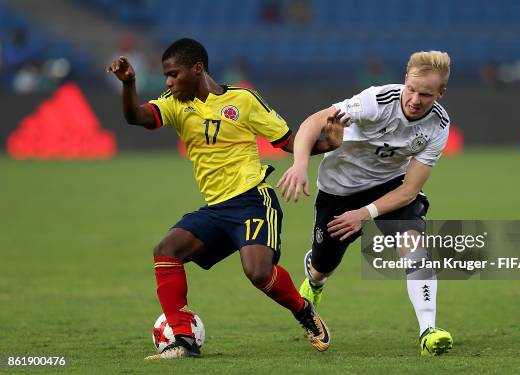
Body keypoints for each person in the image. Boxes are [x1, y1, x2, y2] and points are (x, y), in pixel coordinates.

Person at [107, 38, 347, 360]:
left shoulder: (243, 101)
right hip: (216, 208)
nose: (168, 82)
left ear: (197, 69)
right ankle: (183, 341)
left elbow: (288, 140)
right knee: (166, 250)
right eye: (166, 76)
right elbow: (136, 117)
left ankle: (303, 311)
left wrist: (326, 145)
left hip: (252, 199)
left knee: (258, 272)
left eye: (174, 74)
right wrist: (129, 83)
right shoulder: (174, 103)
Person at [277, 51, 454, 356]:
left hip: (390, 188)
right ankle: (314, 279)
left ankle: (428, 330)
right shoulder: (378, 100)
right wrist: (300, 164)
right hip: (338, 191)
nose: (414, 99)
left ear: (440, 93)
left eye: (425, 94)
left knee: (413, 244)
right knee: (323, 267)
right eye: (411, 89)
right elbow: (315, 121)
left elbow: (410, 190)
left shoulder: (438, 126)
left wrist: (365, 214)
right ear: (405, 81)